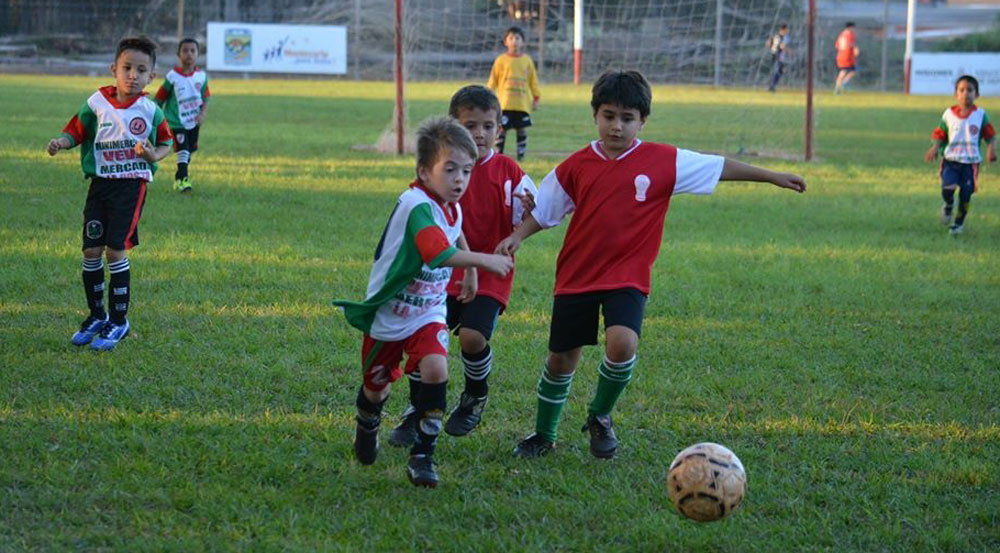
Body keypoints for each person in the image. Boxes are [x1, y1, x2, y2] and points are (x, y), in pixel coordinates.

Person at [495, 70, 806, 459]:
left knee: (623, 342)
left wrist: (772, 176)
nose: (617, 126)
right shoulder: (576, 166)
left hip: (627, 275)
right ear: (595, 115)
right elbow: (545, 210)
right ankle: (544, 434)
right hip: (577, 275)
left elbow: (719, 166)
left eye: (627, 118)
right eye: (609, 116)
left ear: (643, 120)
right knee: (561, 360)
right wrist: (517, 236)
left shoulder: (663, 160)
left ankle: (600, 415)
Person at [333, 117, 514, 488]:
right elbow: (436, 252)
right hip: (390, 311)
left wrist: (470, 270)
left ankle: (423, 455)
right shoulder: (416, 204)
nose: (460, 180)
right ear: (423, 172)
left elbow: (454, 230)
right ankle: (367, 422)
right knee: (376, 388)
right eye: (450, 169)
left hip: (428, 311)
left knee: (435, 369)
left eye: (467, 170)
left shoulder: (449, 203)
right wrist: (484, 261)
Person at [387, 85, 538, 447]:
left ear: (499, 129)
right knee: (425, 343)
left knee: (472, 337)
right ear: (452, 127)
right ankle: (417, 411)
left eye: (488, 125)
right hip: (441, 270)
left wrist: (527, 215)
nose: (480, 134)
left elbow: (539, 213)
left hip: (491, 269)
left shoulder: (509, 171)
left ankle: (474, 395)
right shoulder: (443, 170)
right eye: (470, 125)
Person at [46, 37, 173, 351]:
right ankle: (97, 315)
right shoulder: (96, 103)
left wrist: (152, 156)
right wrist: (62, 142)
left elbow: (166, 142)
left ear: (151, 77)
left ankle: (119, 320)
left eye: (141, 70)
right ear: (113, 69)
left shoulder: (150, 110)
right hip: (100, 186)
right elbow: (76, 130)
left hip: (130, 187)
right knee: (91, 251)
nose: (133, 75)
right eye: (127, 68)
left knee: (115, 250)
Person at [923, 75, 997, 235]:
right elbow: (940, 133)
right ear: (956, 94)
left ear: (977, 94)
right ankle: (948, 205)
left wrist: (992, 148)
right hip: (950, 160)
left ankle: (958, 224)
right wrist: (934, 148)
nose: (966, 94)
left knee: (966, 194)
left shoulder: (980, 115)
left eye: (970, 90)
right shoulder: (948, 114)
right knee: (947, 188)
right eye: (961, 90)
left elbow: (990, 135)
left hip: (970, 163)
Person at [154, 38, 210, 194]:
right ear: (179, 54)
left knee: (189, 150)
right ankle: (184, 181)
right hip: (175, 122)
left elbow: (206, 97)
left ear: (198, 54)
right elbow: (159, 98)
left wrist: (202, 114)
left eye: (193, 51)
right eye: (185, 51)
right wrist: (154, 118)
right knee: (183, 150)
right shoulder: (172, 76)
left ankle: (179, 176)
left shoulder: (201, 76)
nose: (189, 54)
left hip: (193, 121)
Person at [487, 26, 541, 161]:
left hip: (522, 104)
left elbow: (533, 81)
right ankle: (498, 156)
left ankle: (521, 156)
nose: (514, 41)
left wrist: (536, 97)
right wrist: (487, 96)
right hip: (504, 103)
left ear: (523, 42)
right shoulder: (501, 60)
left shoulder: (527, 60)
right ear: (505, 41)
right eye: (511, 38)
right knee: (501, 129)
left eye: (517, 38)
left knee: (521, 129)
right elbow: (493, 80)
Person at [834, 22, 859, 94]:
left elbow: (836, 46)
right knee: (853, 70)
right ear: (851, 27)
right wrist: (855, 49)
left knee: (844, 71)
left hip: (840, 55)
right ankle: (842, 84)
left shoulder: (841, 34)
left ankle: (838, 87)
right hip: (847, 56)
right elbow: (850, 43)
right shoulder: (850, 34)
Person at [767, 24, 790, 92]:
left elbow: (768, 43)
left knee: (780, 70)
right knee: (779, 70)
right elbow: (782, 46)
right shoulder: (783, 37)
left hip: (774, 55)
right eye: (787, 29)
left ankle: (772, 85)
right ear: (783, 29)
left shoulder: (775, 35)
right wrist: (789, 51)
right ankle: (772, 86)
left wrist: (773, 48)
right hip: (778, 55)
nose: (788, 31)